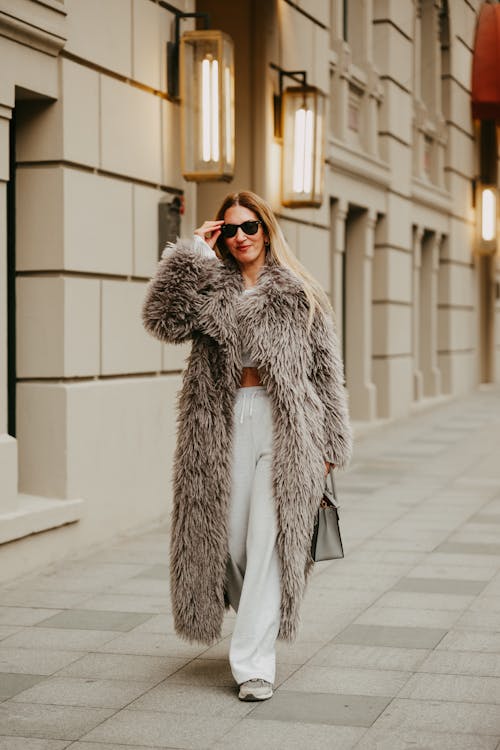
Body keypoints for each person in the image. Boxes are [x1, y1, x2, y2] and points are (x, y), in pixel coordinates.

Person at [142, 191, 352, 701]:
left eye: (250, 227)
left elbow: (326, 374)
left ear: (267, 229)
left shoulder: (300, 292)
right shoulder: (211, 286)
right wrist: (190, 254)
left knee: (267, 544)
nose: (240, 237)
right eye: (231, 229)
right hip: (224, 421)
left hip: (288, 427)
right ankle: (256, 616)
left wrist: (331, 442)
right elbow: (161, 320)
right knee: (231, 540)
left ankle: (254, 664)